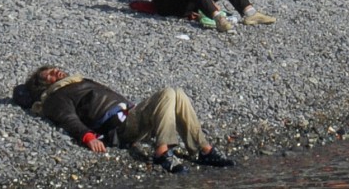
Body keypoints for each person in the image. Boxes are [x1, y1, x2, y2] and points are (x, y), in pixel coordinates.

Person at [16, 66, 231, 173]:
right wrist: (88, 136)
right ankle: (161, 152)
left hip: (130, 115)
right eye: (49, 75)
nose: (55, 72)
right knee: (167, 93)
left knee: (178, 93)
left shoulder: (76, 81)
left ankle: (203, 149)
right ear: (43, 85)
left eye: (54, 69)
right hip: (119, 127)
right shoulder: (55, 97)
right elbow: (68, 118)